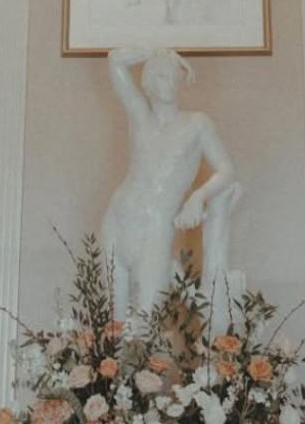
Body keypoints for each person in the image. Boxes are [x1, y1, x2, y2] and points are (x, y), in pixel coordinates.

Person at [100, 46, 240, 319]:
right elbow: (115, 59)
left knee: (146, 322)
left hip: (155, 228)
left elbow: (227, 171)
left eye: (175, 76)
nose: (171, 82)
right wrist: (158, 47)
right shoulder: (139, 115)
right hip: (118, 220)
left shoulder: (197, 124)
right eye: (163, 75)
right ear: (148, 83)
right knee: (112, 323)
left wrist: (198, 197)